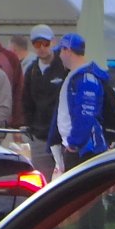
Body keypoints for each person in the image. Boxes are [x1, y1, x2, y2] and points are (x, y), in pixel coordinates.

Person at [50, 33, 115, 168]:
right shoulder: (76, 76)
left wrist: (74, 144)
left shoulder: (86, 78)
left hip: (85, 150)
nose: (60, 56)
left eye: (61, 51)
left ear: (68, 50)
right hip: (78, 148)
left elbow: (85, 113)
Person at [22, 24, 67, 177]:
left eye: (45, 43)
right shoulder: (31, 71)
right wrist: (30, 127)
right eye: (37, 44)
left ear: (53, 42)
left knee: (68, 178)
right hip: (40, 135)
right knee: (43, 180)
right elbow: (26, 102)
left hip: (63, 136)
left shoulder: (63, 66)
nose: (41, 48)